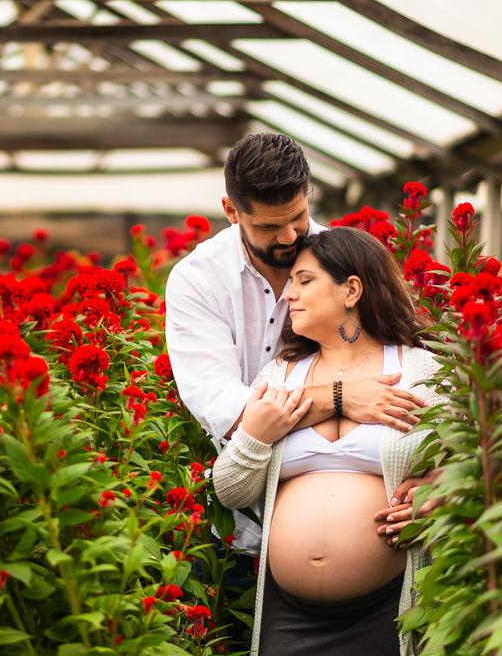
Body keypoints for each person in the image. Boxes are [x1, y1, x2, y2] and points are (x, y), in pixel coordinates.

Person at [165, 133, 428, 554]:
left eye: (299, 217)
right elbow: (227, 411)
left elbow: (413, 360)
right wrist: (337, 398)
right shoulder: (198, 280)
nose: (289, 237)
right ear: (232, 211)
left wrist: (439, 479)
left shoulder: (341, 258)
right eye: (268, 226)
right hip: (245, 533)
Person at [210, 226, 445, 656]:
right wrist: (257, 436)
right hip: (290, 616)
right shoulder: (279, 377)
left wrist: (441, 490)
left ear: (351, 289)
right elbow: (229, 490)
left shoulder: (420, 373)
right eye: (289, 283)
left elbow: (477, 463)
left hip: (389, 610)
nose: (288, 295)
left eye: (304, 281)